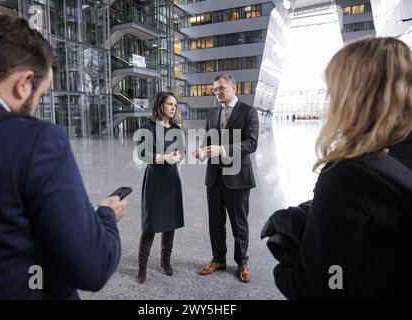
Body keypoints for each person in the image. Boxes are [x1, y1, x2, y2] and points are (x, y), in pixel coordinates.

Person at [0, 14, 126, 299]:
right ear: (23, 83)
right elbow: (92, 267)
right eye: (40, 95)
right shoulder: (35, 140)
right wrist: (106, 217)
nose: (35, 107)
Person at [264, 37, 412, 299]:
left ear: (351, 96)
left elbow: (322, 284)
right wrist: (315, 212)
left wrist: (285, 262)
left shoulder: (347, 173)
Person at [193, 73, 259, 283]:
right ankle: (218, 258)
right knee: (215, 222)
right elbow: (206, 141)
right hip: (214, 177)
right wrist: (202, 152)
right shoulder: (212, 114)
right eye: (215, 89)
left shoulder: (249, 112)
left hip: (238, 176)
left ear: (233, 88)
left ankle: (242, 262)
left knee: (239, 223)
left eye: (221, 88)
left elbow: (251, 143)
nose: (217, 92)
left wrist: (223, 149)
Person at [136, 92, 184, 283]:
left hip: (171, 180)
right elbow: (142, 153)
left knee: (169, 222)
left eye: (175, 105)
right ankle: (142, 267)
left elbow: (180, 150)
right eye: (170, 104)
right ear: (160, 105)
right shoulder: (148, 127)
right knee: (151, 224)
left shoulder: (176, 128)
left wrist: (178, 156)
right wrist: (164, 157)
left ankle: (166, 261)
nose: (173, 107)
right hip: (155, 179)